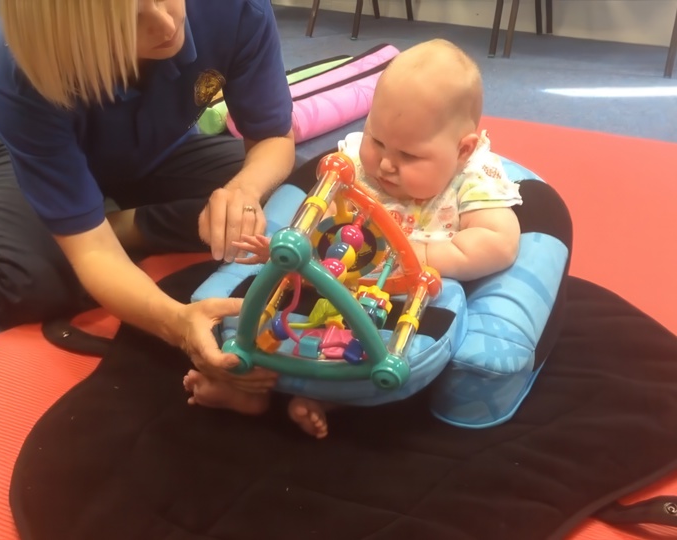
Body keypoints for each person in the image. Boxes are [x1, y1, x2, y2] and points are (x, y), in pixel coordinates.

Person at [183, 38, 523, 438]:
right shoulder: (358, 165)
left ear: (462, 150)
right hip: (335, 274)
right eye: (377, 140)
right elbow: (322, 222)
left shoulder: (473, 177)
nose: (386, 164)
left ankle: (325, 401)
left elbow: (499, 243)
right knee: (274, 315)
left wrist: (422, 253)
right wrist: (289, 249)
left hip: (404, 293)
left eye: (410, 156)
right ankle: (247, 388)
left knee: (374, 348)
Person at [0, 0, 297, 391]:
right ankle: (87, 223)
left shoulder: (233, 7)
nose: (166, 22)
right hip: (24, 151)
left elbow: (274, 138)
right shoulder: (20, 68)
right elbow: (93, 252)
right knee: (23, 285)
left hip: (158, 141)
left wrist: (244, 189)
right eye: (132, 19)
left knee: (293, 195)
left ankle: (119, 226)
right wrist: (178, 324)